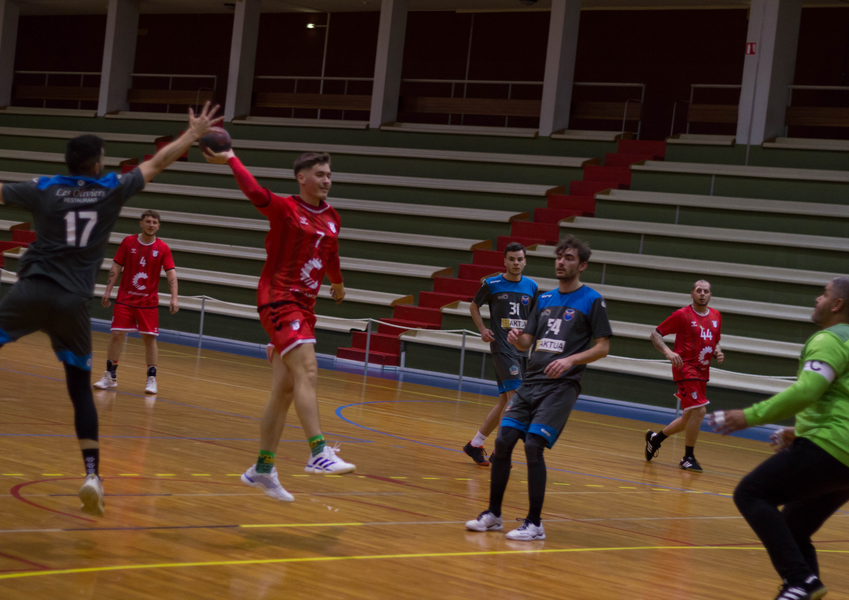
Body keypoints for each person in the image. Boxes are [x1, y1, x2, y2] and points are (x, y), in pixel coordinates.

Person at [0, 102, 222, 517]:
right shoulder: (109, 188)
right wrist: (193, 135)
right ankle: (91, 476)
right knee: (80, 391)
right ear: (98, 162)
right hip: (72, 304)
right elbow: (158, 162)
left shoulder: (43, 186)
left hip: (29, 292)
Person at [203, 147, 355, 503]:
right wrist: (231, 159)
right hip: (278, 299)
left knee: (285, 389)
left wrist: (338, 282)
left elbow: (331, 254)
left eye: (329, 175)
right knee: (309, 369)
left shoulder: (332, 217)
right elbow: (255, 192)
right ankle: (318, 451)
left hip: (305, 308)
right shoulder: (286, 208)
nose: (326, 180)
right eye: (319, 174)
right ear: (301, 178)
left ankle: (263, 467)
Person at [709, 277, 849, 600]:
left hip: (830, 445)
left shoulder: (828, 339)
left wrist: (750, 416)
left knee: (751, 493)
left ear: (837, 304)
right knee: (794, 527)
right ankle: (804, 587)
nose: (817, 299)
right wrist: (798, 432)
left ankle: (799, 580)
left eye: (824, 294)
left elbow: (808, 390)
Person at [465, 235, 612, 540]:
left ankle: (534, 524)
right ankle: (494, 514)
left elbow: (602, 347)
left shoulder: (592, 300)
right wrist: (517, 338)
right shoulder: (544, 299)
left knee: (533, 445)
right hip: (532, 380)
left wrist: (570, 360)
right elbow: (527, 342)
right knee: (504, 440)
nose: (561, 262)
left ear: (582, 265)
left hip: (561, 386)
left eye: (569, 258)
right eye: (559, 257)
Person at [464, 242, 539, 466]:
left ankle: (475, 444)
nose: (516, 263)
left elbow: (534, 318)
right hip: (502, 347)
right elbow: (474, 306)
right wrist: (482, 329)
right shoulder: (492, 284)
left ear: (525, 262)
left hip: (522, 350)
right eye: (512, 259)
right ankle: (501, 451)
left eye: (519, 259)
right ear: (504, 261)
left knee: (504, 401)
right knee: (515, 399)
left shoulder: (532, 286)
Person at [93, 209, 177, 394]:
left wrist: (174, 297)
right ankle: (110, 376)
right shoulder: (128, 242)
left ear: (158, 226)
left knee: (149, 339)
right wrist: (108, 290)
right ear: (141, 223)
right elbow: (116, 266)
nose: (151, 225)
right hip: (125, 299)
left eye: (154, 222)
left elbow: (171, 272)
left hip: (148, 303)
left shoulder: (163, 248)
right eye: (148, 221)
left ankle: (151, 378)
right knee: (116, 335)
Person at [644, 280, 724, 472]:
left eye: (706, 291)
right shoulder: (682, 315)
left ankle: (655, 439)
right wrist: (668, 352)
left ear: (710, 295)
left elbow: (715, 340)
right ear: (692, 294)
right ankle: (688, 457)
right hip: (685, 369)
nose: (702, 294)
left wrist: (718, 351)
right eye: (699, 290)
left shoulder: (716, 316)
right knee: (700, 411)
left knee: (689, 417)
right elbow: (655, 334)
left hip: (703, 371)